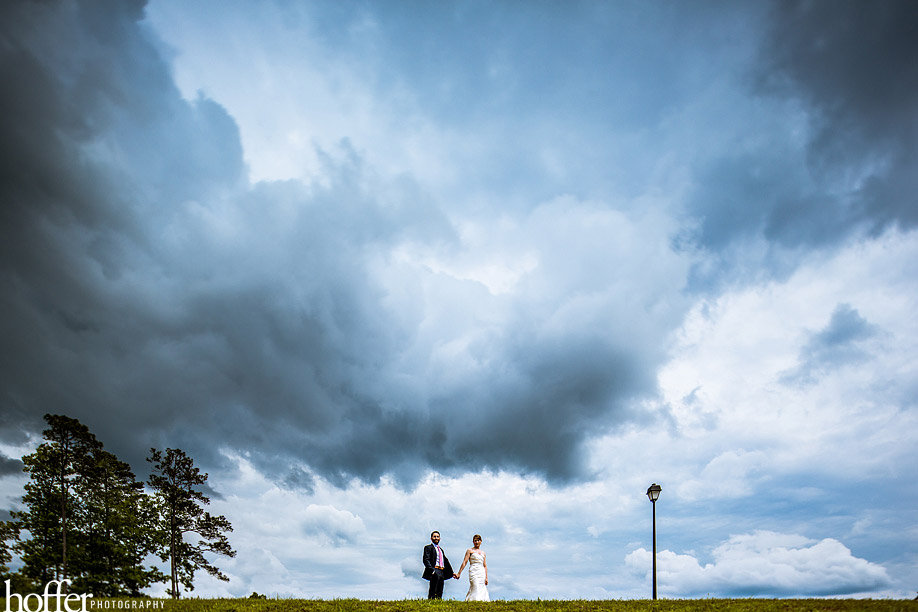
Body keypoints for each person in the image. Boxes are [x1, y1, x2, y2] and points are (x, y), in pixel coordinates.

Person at [454, 534, 489, 601]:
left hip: (481, 571)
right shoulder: (470, 550)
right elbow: (464, 562)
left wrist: (486, 577)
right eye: (475, 541)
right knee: (475, 585)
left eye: (478, 540)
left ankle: (482, 601)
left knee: (481, 586)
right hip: (473, 570)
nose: (477, 542)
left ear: (481, 541)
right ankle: (474, 600)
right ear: (473, 542)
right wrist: (459, 573)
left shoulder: (483, 553)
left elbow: (484, 565)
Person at [422, 530, 456, 599]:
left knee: (440, 589)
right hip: (434, 569)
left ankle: (438, 602)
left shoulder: (441, 550)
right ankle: (431, 602)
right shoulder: (428, 547)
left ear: (440, 538)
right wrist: (432, 570)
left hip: (441, 571)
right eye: (434, 537)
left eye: (437, 537)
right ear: (431, 538)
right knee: (433, 588)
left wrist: (452, 573)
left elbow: (446, 561)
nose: (436, 538)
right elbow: (426, 559)